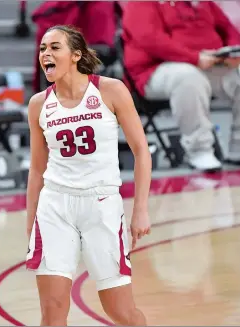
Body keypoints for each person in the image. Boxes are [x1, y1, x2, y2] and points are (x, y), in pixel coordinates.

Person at [25, 25, 151, 326]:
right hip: (55, 206)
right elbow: (37, 169)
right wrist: (31, 225)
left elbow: (141, 152)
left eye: (55, 47)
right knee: (53, 312)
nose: (46, 54)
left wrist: (140, 210)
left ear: (76, 55)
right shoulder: (39, 104)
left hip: (102, 204)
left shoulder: (110, 90)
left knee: (121, 312)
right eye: (43, 48)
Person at [122, 0, 240, 172]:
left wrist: (232, 51)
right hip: (155, 70)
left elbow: (228, 28)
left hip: (208, 63)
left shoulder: (203, 2)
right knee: (188, 76)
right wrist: (194, 58)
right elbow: (150, 39)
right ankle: (199, 150)